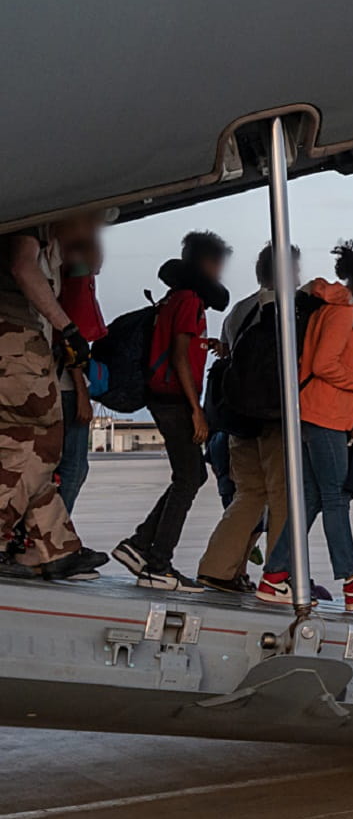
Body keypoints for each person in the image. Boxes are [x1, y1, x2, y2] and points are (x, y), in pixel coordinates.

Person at [254, 242, 353, 611]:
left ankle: (275, 576)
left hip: (322, 414)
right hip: (322, 415)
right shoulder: (343, 313)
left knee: (310, 499)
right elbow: (324, 364)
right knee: (336, 497)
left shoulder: (342, 310)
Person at [113, 230, 232, 591]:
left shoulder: (174, 298)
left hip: (164, 396)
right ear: (207, 264)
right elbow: (178, 356)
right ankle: (157, 562)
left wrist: (204, 345)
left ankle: (139, 546)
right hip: (173, 399)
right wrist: (196, 410)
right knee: (187, 478)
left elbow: (180, 346)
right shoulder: (190, 301)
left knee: (193, 475)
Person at [195, 244, 301, 592]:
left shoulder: (239, 310)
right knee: (284, 497)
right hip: (275, 416)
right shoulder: (291, 309)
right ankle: (279, 574)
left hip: (239, 417)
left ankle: (216, 567)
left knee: (249, 493)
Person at [0, 215, 100, 581]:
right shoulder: (30, 208)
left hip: (9, 343)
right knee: (38, 444)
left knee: (30, 450)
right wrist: (68, 329)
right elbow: (23, 267)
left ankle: (58, 548)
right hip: (14, 338)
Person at [54, 229, 107, 512]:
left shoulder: (62, 275)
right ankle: (56, 535)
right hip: (66, 384)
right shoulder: (76, 279)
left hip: (61, 380)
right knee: (73, 467)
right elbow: (69, 336)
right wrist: (81, 391)